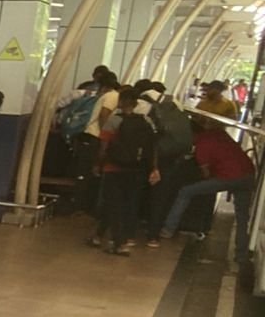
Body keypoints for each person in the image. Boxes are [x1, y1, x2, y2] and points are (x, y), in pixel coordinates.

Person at [159, 115, 257, 265]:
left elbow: (205, 174)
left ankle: (168, 229)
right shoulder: (219, 133)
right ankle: (241, 254)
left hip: (228, 177)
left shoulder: (201, 144)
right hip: (248, 175)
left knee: (185, 192)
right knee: (242, 218)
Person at [88, 86, 159, 256]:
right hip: (136, 169)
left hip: (113, 167)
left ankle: (119, 243)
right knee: (123, 204)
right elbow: (153, 147)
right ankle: (98, 236)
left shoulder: (114, 120)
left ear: (122, 101)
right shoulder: (147, 121)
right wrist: (154, 168)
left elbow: (104, 146)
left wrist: (97, 164)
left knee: (113, 204)